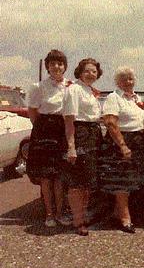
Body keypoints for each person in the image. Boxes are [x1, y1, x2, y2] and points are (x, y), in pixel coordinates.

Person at [100, 67, 144, 233]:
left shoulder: (137, 99)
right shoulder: (114, 97)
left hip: (138, 142)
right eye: (124, 79)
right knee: (122, 181)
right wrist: (122, 145)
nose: (128, 82)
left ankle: (118, 213)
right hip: (121, 142)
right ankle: (125, 218)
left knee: (131, 181)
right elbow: (110, 122)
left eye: (131, 78)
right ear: (118, 82)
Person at [25, 49, 70, 227]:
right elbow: (33, 112)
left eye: (59, 63)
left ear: (65, 66)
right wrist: (42, 131)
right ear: (47, 67)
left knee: (59, 175)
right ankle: (49, 214)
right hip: (44, 130)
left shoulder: (70, 86)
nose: (56, 67)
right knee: (46, 176)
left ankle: (60, 213)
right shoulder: (39, 87)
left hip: (63, 130)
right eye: (52, 64)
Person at [62, 58, 104, 236]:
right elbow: (69, 120)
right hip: (80, 134)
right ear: (79, 72)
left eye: (94, 71)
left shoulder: (91, 91)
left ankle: (84, 216)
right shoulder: (74, 89)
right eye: (87, 71)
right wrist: (71, 147)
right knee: (77, 182)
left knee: (88, 181)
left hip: (93, 134)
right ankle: (77, 220)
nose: (91, 74)